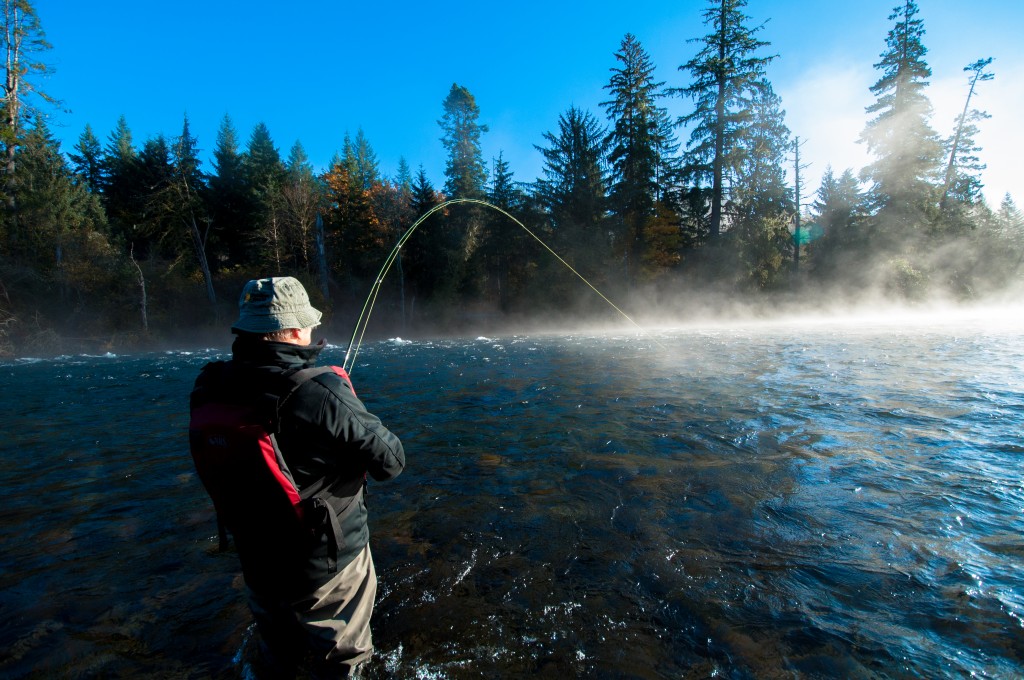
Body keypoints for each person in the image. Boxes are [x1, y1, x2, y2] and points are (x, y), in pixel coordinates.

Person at [189, 276, 405, 677]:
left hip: (257, 562)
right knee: (345, 663)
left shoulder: (208, 386)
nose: (312, 330)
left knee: (279, 658)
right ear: (291, 329)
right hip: (326, 568)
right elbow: (391, 462)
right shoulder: (320, 391)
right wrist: (346, 403)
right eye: (308, 323)